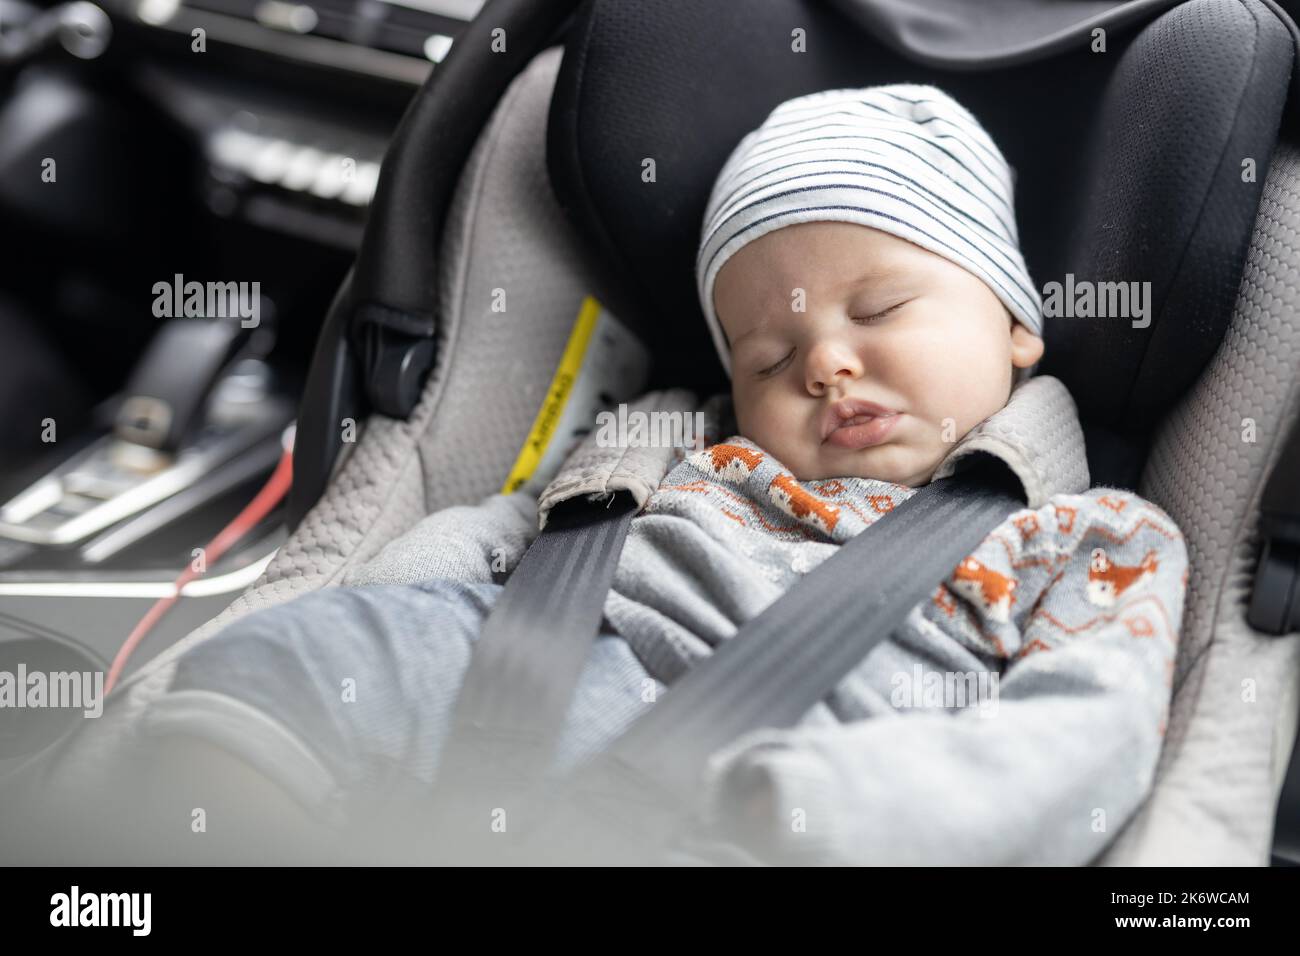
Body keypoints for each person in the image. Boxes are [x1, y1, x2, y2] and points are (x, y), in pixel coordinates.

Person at [21, 84, 1188, 866]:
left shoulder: (1089, 534)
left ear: (1019, 326)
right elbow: (503, 535)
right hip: (536, 680)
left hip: (812, 778)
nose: (826, 362)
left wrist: (838, 806)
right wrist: (381, 605)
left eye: (879, 309)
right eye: (769, 357)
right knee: (279, 659)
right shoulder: (674, 442)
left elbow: (1085, 732)